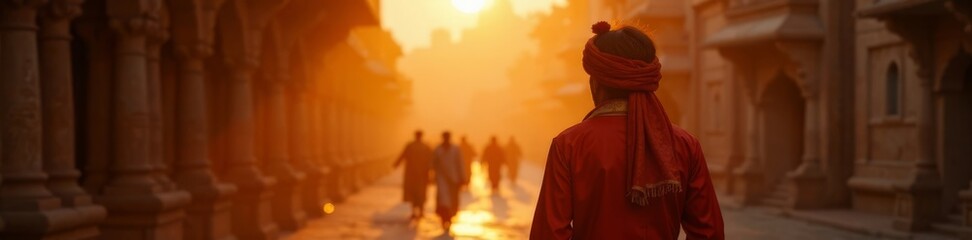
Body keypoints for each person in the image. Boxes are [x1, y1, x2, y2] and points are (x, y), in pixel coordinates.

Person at [530, 22, 724, 239]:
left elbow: (548, 234)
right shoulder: (685, 144)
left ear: (596, 83)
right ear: (648, 81)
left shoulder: (569, 145)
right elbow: (709, 232)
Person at [393, 130, 434, 220]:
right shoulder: (425, 147)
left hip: (413, 174)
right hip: (422, 175)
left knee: (414, 193)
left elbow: (402, 156)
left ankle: (414, 212)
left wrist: (396, 164)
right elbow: (432, 160)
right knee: (420, 193)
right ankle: (420, 211)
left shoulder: (411, 146)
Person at [431, 131, 467, 233]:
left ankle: (449, 218)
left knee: (452, 202)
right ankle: (444, 219)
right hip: (441, 179)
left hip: (454, 180)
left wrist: (462, 178)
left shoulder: (455, 150)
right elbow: (432, 164)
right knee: (443, 201)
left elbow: (460, 164)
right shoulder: (438, 150)